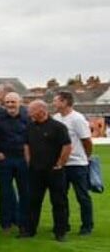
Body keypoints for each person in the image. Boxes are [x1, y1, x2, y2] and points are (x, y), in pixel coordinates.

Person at [24, 100, 73, 241]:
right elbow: (26, 144)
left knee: (58, 201)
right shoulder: (30, 126)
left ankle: (60, 232)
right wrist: (28, 160)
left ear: (41, 110)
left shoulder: (58, 127)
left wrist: (60, 163)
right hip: (35, 171)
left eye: (31, 110)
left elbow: (67, 146)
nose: (29, 113)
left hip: (54, 171)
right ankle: (30, 230)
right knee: (33, 201)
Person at [53, 90, 95, 235]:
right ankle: (63, 224)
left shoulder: (77, 119)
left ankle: (87, 225)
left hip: (77, 164)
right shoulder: (56, 118)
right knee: (60, 196)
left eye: (56, 100)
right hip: (62, 164)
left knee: (82, 196)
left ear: (64, 102)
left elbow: (87, 141)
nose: (54, 103)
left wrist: (85, 157)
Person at [0, 92, 30, 234]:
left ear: (20, 102)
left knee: (24, 192)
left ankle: (23, 222)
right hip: (4, 160)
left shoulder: (28, 118)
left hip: (22, 159)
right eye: (8, 102)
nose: (10, 105)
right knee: (5, 192)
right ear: (4, 104)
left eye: (13, 102)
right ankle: (5, 223)